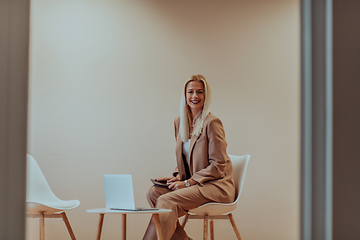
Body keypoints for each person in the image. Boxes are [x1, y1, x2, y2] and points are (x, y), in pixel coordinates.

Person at [143, 74, 235, 240]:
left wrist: (187, 183)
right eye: (190, 92)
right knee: (155, 193)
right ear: (184, 95)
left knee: (166, 201)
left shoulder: (212, 123)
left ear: (206, 95)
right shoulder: (179, 122)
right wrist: (176, 176)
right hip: (194, 183)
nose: (195, 96)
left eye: (200, 92)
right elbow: (187, 158)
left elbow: (218, 164)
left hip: (215, 186)